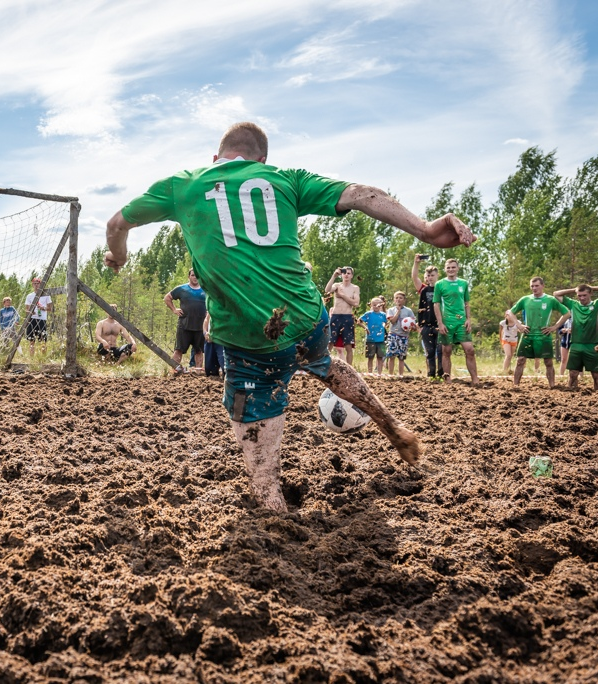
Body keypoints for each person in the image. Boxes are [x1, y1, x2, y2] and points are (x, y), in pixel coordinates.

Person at [104, 121, 475, 511]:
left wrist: (121, 254)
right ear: (262, 159)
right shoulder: (285, 179)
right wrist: (426, 231)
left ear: (216, 158)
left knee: (258, 420)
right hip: (307, 320)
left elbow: (116, 224)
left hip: (249, 336)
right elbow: (365, 194)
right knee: (322, 362)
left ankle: (272, 504)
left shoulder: (185, 183)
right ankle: (392, 425)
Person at [510, 276, 570, 389]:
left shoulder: (550, 300)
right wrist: (519, 325)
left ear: (543, 286)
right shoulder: (525, 299)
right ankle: (515, 385)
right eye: (532, 286)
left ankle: (552, 385)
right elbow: (510, 312)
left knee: (548, 361)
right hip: (528, 334)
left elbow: (566, 313)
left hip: (544, 335)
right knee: (520, 360)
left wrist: (555, 327)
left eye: (536, 285)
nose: (534, 288)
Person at [553, 283, 598, 391]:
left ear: (590, 294)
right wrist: (575, 289)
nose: (582, 298)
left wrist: (592, 287)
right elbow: (556, 294)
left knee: (596, 375)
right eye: (579, 295)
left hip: (592, 345)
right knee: (573, 374)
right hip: (576, 344)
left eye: (584, 295)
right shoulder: (573, 304)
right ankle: (571, 397)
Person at [433, 258, 479, 385]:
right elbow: (436, 304)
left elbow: (467, 303)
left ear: (457, 268)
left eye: (453, 267)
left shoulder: (463, 283)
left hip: (461, 322)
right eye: (448, 268)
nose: (451, 270)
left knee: (469, 349)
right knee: (446, 351)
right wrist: (440, 323)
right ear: (445, 270)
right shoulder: (440, 284)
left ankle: (475, 379)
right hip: (447, 323)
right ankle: (447, 379)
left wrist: (469, 319)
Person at [165, 269, 206, 372]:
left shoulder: (205, 290)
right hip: (184, 325)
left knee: (199, 351)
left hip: (200, 326)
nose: (195, 277)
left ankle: (198, 372)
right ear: (189, 277)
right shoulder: (181, 289)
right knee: (178, 350)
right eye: (192, 275)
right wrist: (174, 309)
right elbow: (167, 298)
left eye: (197, 275)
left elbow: (214, 302)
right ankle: (175, 371)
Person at [412, 255, 442, 378]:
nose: (430, 278)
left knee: (440, 351)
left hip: (440, 325)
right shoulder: (424, 290)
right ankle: (431, 375)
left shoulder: (443, 288)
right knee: (429, 352)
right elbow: (414, 277)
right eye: (428, 275)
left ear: (437, 275)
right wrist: (416, 263)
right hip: (426, 325)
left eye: (432, 275)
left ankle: (442, 374)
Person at [324, 266, 360, 365]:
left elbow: (356, 303)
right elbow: (327, 290)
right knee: (330, 342)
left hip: (347, 317)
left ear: (352, 275)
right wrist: (334, 276)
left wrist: (343, 295)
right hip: (335, 316)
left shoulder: (355, 288)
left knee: (348, 345)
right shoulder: (337, 285)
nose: (346, 275)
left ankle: (349, 368)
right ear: (342, 275)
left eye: (348, 273)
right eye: (344, 273)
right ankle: (324, 365)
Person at [385, 291, 415, 376]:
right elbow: (393, 321)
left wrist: (412, 327)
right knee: (391, 356)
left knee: (401, 357)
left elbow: (412, 323)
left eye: (400, 298)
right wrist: (398, 312)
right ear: (394, 300)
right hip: (393, 335)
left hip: (404, 336)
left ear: (404, 300)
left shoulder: (408, 311)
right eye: (396, 298)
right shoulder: (391, 310)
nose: (398, 299)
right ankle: (391, 374)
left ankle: (400, 375)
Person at [356, 297, 387, 375]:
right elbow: (359, 321)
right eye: (374, 305)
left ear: (381, 305)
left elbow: (387, 323)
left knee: (380, 357)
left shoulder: (383, 315)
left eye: (378, 305)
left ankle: (379, 374)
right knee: (370, 357)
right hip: (371, 339)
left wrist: (384, 327)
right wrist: (365, 327)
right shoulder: (368, 314)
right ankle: (370, 373)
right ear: (371, 305)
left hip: (381, 339)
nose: (376, 306)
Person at [24, 277, 53, 356]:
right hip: (32, 319)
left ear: (41, 285)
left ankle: (43, 358)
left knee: (43, 340)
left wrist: (43, 308)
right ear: (32, 285)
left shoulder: (46, 295)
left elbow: (50, 308)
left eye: (38, 284)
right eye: (34, 284)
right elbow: (26, 310)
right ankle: (31, 358)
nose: (36, 285)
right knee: (31, 340)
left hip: (42, 319)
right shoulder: (29, 296)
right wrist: (30, 312)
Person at [203, 312, 225, 377]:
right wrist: (205, 332)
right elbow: (206, 319)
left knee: (224, 365)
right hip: (210, 339)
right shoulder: (212, 306)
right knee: (209, 369)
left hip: (222, 340)